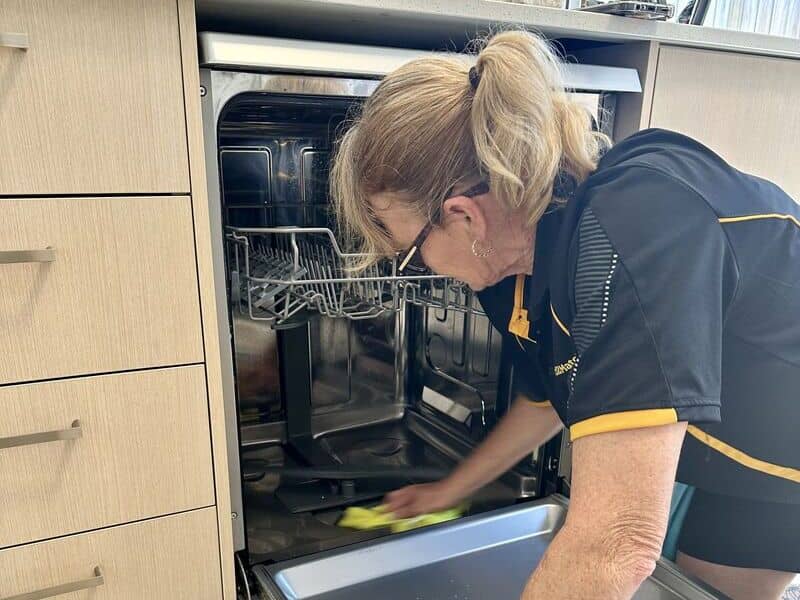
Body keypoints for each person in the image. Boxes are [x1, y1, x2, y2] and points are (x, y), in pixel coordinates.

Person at [329, 30, 800, 600]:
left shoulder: (631, 233)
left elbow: (617, 542)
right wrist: (450, 489)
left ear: (463, 217)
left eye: (409, 252)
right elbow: (545, 399)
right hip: (736, 458)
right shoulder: (514, 271)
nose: (420, 270)